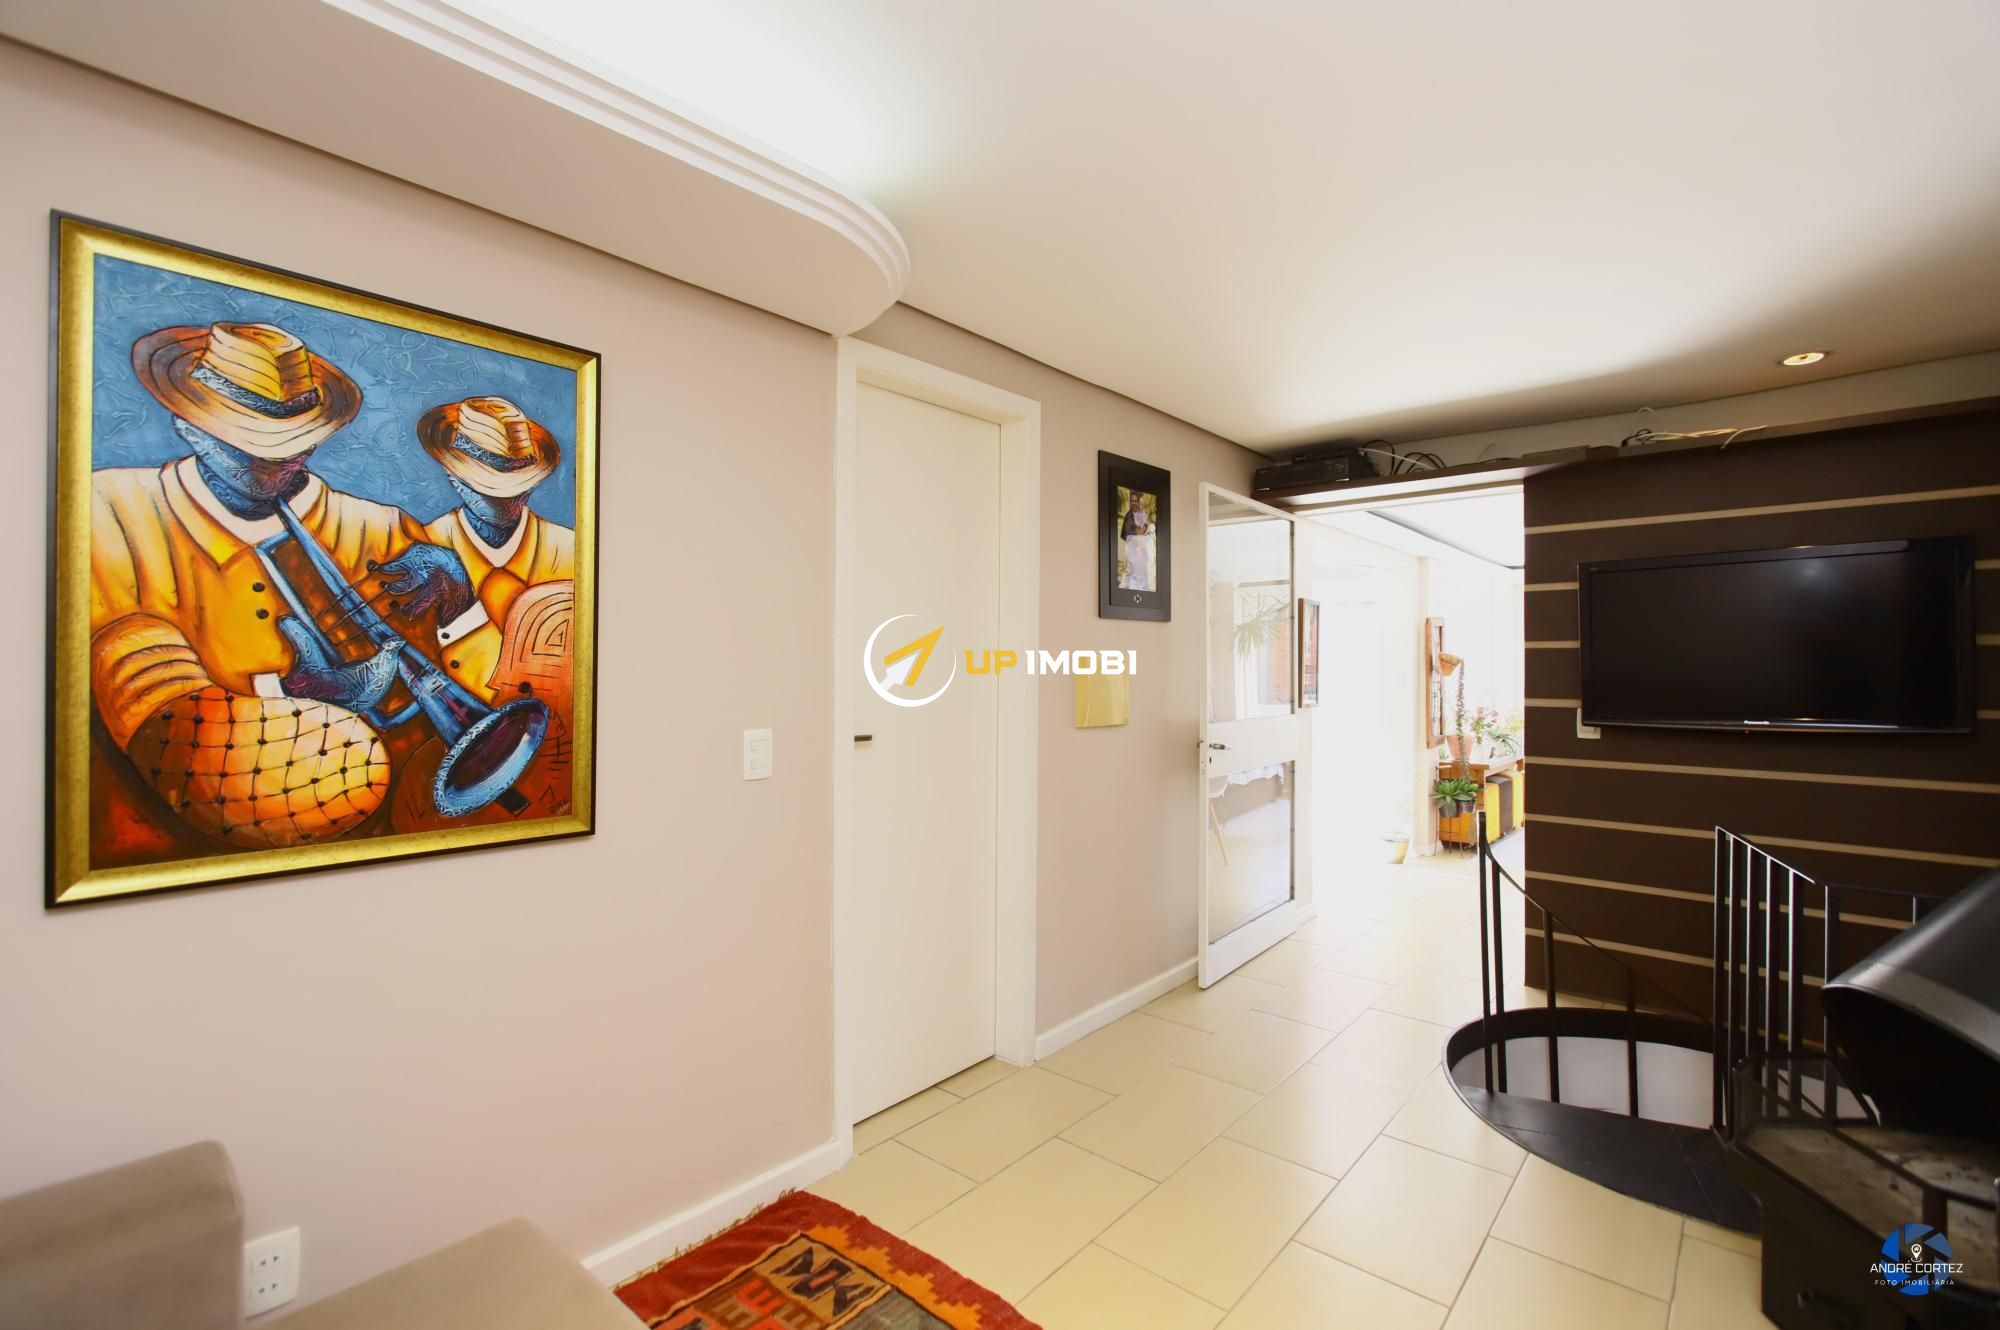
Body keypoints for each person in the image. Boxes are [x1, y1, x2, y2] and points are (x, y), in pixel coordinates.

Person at [91, 320, 476, 850]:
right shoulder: (108, 514)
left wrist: (461, 607)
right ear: (187, 424)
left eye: (295, 444)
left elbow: (471, 687)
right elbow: (157, 714)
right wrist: (287, 692)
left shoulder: (385, 528)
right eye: (246, 444)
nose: (277, 462)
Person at [411, 396, 575, 703]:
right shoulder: (424, 548)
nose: (508, 501)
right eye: (488, 490)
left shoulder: (572, 553)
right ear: (453, 478)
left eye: (520, 488)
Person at [1118, 490, 1155, 591]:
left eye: (1136, 501)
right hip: (1133, 547)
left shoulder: (1140, 513)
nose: (1134, 503)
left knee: (1142, 568)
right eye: (1132, 501)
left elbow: (1145, 526)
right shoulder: (1129, 515)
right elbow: (1127, 530)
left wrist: (1144, 528)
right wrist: (1137, 531)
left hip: (1141, 549)